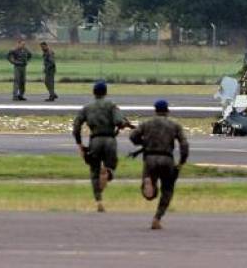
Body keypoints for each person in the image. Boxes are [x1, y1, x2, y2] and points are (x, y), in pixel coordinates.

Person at [72, 81, 133, 212]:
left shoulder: (86, 108)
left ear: (93, 93)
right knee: (111, 165)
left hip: (95, 140)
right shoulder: (112, 106)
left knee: (94, 171)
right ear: (106, 92)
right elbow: (119, 121)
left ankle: (98, 200)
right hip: (110, 140)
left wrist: (79, 144)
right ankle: (108, 172)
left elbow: (76, 127)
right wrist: (125, 124)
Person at [130, 99, 189, 230]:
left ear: (155, 111)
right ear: (167, 111)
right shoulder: (174, 125)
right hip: (167, 159)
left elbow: (133, 136)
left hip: (150, 158)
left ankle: (149, 185)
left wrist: (144, 143)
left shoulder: (146, 124)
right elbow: (184, 144)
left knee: (150, 193)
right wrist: (181, 162)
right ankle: (157, 218)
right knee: (167, 190)